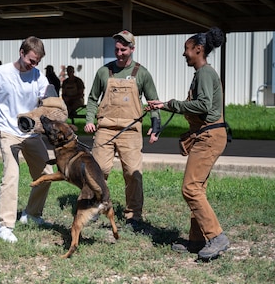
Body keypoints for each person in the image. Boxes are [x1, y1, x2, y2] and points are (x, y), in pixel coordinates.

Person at [147, 27, 230, 260]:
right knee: (198, 189)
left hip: (209, 137)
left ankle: (216, 237)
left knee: (190, 188)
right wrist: (163, 105)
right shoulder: (202, 73)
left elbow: (203, 105)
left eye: (187, 49)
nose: (184, 54)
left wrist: (171, 104)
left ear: (198, 49)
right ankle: (197, 240)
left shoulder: (204, 72)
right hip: (207, 135)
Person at [84, 30, 161, 231]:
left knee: (133, 173)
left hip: (131, 131)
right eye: (117, 49)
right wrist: (89, 120)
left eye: (123, 49)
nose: (119, 53)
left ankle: (133, 214)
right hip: (105, 129)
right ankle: (92, 207)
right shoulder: (103, 72)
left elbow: (153, 103)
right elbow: (92, 99)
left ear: (132, 49)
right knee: (98, 170)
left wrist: (155, 125)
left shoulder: (142, 73)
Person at [0, 36, 53, 243]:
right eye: (31, 60)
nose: (34, 65)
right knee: (11, 176)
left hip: (31, 132)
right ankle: (4, 226)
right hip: (7, 131)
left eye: (37, 62)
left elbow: (48, 102)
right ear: (21, 52)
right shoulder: (0, 73)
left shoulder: (39, 77)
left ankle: (32, 215)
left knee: (46, 174)